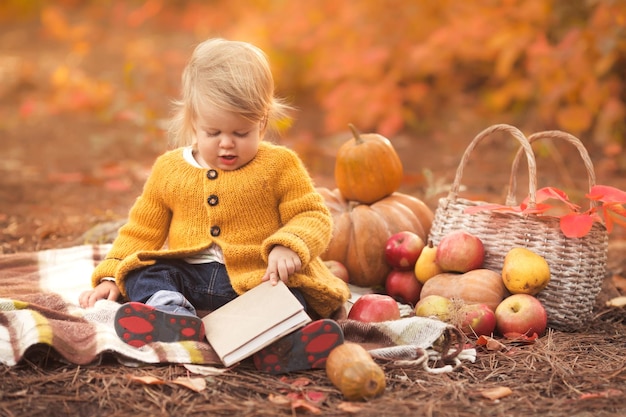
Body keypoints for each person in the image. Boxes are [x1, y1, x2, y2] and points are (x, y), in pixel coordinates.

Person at [78, 38, 350, 374]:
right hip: (189, 277)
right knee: (139, 272)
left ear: (262, 122)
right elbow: (141, 231)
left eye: (241, 132)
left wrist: (288, 245)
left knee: (294, 293)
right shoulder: (169, 170)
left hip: (254, 279)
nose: (226, 143)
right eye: (213, 131)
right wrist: (110, 276)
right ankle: (172, 315)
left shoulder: (279, 165)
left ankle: (279, 344)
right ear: (193, 122)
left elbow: (311, 213)